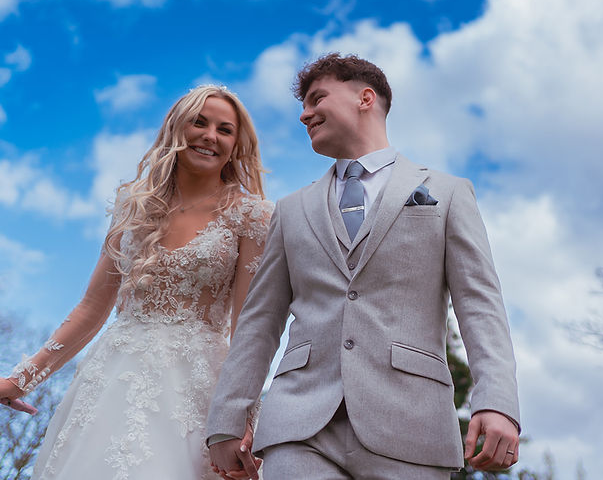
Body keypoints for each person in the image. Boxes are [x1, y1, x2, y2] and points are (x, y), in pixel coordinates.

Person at [207, 54, 520, 480]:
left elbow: (481, 305)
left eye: (317, 99)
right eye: (303, 106)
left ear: (365, 98)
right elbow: (259, 321)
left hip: (412, 425)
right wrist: (227, 419)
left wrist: (497, 401)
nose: (304, 115)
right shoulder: (291, 210)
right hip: (299, 426)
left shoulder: (447, 194)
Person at [0, 85, 273, 480]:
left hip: (196, 395)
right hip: (112, 382)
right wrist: (19, 381)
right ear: (176, 128)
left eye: (225, 130)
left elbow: (249, 329)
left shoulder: (252, 217)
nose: (210, 136)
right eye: (199, 123)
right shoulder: (134, 206)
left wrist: (242, 421)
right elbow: (91, 308)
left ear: (236, 144)